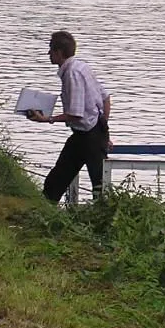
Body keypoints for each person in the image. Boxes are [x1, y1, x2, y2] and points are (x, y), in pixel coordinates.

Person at [28, 30, 112, 203]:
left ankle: (104, 222)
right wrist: (104, 129)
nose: (48, 54)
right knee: (57, 179)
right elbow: (105, 97)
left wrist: (47, 119)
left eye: (50, 50)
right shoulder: (83, 67)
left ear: (59, 53)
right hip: (89, 133)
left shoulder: (72, 74)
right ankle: (44, 213)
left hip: (89, 136)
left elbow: (75, 114)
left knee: (99, 185)